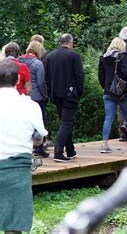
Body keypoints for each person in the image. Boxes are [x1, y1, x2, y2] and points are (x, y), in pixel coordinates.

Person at [0, 60, 48, 233]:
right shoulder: (30, 106)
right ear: (19, 78)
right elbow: (40, 137)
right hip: (17, 170)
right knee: (14, 224)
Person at [45, 33, 84, 162]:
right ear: (70, 42)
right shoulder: (74, 56)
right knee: (66, 123)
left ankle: (70, 150)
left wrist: (50, 92)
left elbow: (47, 77)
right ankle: (58, 152)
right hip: (69, 94)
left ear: (60, 42)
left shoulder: (50, 56)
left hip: (56, 94)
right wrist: (79, 92)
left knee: (65, 121)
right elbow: (79, 76)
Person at [18, 41, 49, 158]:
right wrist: (45, 94)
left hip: (22, 97)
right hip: (36, 97)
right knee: (38, 122)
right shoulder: (38, 63)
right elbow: (41, 82)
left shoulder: (18, 61)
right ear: (38, 51)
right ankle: (38, 148)